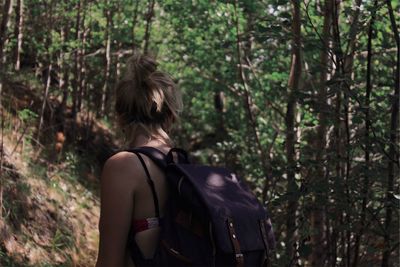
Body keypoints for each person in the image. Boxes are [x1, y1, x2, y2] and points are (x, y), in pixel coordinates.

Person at [95, 52, 182, 267]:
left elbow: (109, 261)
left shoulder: (123, 166)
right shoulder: (184, 164)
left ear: (120, 117)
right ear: (170, 116)